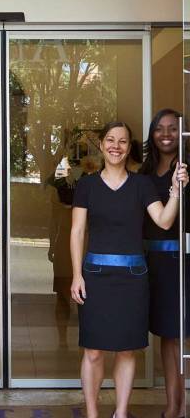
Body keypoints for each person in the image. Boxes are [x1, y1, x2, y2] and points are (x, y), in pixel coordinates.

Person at [70, 121, 188, 418]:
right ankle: (93, 414)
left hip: (133, 279)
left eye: (122, 141)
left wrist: (175, 190)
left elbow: (164, 221)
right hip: (95, 277)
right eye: (110, 140)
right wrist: (76, 275)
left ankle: (120, 413)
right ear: (101, 145)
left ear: (129, 147)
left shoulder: (142, 185)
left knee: (126, 350)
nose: (116, 146)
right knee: (93, 351)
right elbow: (77, 232)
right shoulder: (87, 185)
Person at [142, 108, 188, 418]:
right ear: (152, 134)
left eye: (173, 128)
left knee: (180, 335)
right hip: (155, 263)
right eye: (160, 128)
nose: (167, 134)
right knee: (168, 335)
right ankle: (173, 405)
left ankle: (178, 407)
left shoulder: (186, 168)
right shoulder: (144, 172)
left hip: (183, 260)